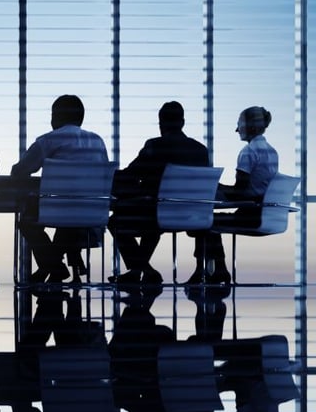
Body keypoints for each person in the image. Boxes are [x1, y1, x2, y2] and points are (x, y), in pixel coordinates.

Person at [11, 94, 110, 284]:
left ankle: (53, 266)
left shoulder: (48, 140)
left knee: (28, 221)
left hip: (58, 209)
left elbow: (19, 171)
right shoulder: (98, 142)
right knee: (68, 220)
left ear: (56, 117)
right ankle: (53, 267)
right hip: (92, 212)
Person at [108, 101, 210, 285]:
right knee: (152, 216)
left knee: (115, 221)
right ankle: (139, 271)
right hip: (192, 216)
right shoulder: (200, 151)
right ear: (182, 122)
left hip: (156, 214)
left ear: (161, 123)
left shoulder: (155, 146)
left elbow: (132, 174)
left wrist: (109, 176)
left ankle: (143, 269)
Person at [192, 106, 278, 284]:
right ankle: (217, 271)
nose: (237, 129)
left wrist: (216, 188)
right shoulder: (272, 151)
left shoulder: (248, 152)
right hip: (266, 214)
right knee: (207, 221)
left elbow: (239, 193)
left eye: (239, 124)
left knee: (203, 221)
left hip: (250, 215)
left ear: (250, 126)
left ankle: (208, 272)